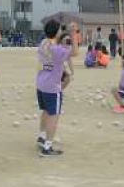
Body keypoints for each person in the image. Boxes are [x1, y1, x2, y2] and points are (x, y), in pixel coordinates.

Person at [36, 19, 78, 157]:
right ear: (57, 32)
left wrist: (63, 33)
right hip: (52, 87)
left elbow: (55, 41)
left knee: (46, 111)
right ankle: (47, 146)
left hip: (41, 83)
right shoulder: (58, 49)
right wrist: (73, 33)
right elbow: (75, 52)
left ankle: (42, 136)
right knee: (54, 115)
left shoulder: (44, 43)